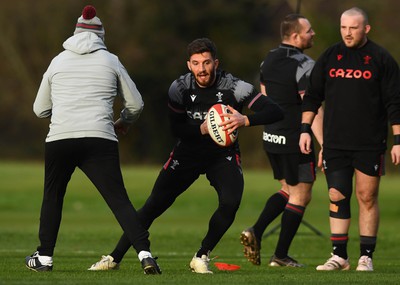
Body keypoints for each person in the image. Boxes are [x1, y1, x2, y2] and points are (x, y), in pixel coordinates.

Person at [88, 37, 284, 274]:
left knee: (231, 202)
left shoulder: (235, 86)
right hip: (188, 153)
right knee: (153, 206)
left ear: (216, 62)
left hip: (223, 155)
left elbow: (275, 110)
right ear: (189, 65)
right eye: (196, 63)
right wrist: (200, 129)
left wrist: (246, 119)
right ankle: (114, 258)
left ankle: (201, 256)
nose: (202, 69)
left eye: (207, 62)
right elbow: (175, 129)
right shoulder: (179, 88)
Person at [25, 5, 161, 275]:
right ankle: (145, 254)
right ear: (101, 35)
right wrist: (123, 121)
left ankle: (44, 258)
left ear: (75, 32)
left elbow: (39, 109)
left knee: (52, 197)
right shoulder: (111, 60)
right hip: (100, 137)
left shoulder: (57, 61)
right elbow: (136, 103)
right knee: (119, 200)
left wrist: (65, 110)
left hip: (60, 138)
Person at [299, 7, 400, 271]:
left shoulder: (381, 58)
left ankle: (366, 256)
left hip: (369, 142)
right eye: (344, 27)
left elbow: (395, 103)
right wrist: (304, 130)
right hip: (335, 143)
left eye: (353, 28)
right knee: (337, 195)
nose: (347, 33)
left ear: (366, 29)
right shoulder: (331, 56)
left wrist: (398, 141)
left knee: (366, 196)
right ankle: (339, 256)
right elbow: (312, 96)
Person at [240, 14, 323, 267]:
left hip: (271, 135)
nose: (313, 34)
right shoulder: (306, 65)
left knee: (288, 190)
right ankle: (280, 255)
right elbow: (312, 106)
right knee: (301, 194)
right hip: (296, 138)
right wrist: (324, 144)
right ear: (296, 36)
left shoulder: (268, 59)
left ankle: (257, 231)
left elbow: (264, 98)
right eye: (309, 31)